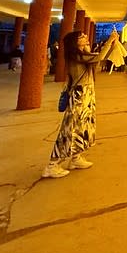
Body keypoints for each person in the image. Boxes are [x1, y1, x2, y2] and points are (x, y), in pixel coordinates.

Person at [42, 28, 119, 178]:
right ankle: (51, 165)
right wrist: (109, 41)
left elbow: (98, 60)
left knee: (83, 129)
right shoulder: (76, 56)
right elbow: (98, 58)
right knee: (70, 130)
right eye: (82, 37)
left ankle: (76, 159)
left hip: (86, 96)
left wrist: (110, 44)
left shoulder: (82, 56)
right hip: (79, 96)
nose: (86, 37)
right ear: (75, 43)